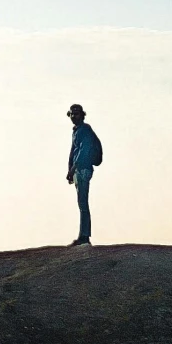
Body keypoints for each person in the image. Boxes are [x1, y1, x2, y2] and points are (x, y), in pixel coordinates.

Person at [65, 103, 103, 247]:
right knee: (81, 202)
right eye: (72, 114)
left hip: (83, 169)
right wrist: (70, 170)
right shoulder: (76, 131)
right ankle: (83, 235)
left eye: (77, 114)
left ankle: (84, 236)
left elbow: (82, 151)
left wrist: (72, 169)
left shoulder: (85, 130)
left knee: (83, 203)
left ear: (82, 115)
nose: (74, 116)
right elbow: (73, 151)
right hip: (78, 170)